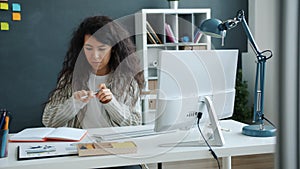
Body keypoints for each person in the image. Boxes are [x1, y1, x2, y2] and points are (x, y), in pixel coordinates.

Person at [42, 16, 145, 169]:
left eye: (102, 49)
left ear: (113, 48)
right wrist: (73, 103)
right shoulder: (71, 77)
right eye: (89, 49)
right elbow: (48, 120)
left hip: (117, 151)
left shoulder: (127, 80)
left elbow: (135, 124)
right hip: (80, 153)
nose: (95, 56)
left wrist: (112, 104)